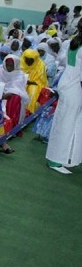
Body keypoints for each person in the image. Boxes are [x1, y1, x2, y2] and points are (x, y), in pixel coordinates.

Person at [46, 32, 82, 174]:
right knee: (66, 125)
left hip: (67, 83)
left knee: (65, 123)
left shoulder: (75, 42)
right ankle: (56, 160)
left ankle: (65, 158)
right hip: (74, 88)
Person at [0, 55, 30, 127]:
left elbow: (16, 88)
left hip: (10, 94)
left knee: (16, 97)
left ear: (15, 65)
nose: (8, 67)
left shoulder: (19, 74)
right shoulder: (0, 70)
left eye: (11, 66)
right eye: (7, 65)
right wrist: (1, 92)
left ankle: (11, 124)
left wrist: (5, 94)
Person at [20, 48, 48, 113]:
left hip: (36, 85)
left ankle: (29, 111)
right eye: (26, 60)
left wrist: (29, 82)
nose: (28, 62)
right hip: (21, 83)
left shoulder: (40, 65)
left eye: (30, 60)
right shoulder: (21, 62)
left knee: (33, 90)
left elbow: (42, 81)